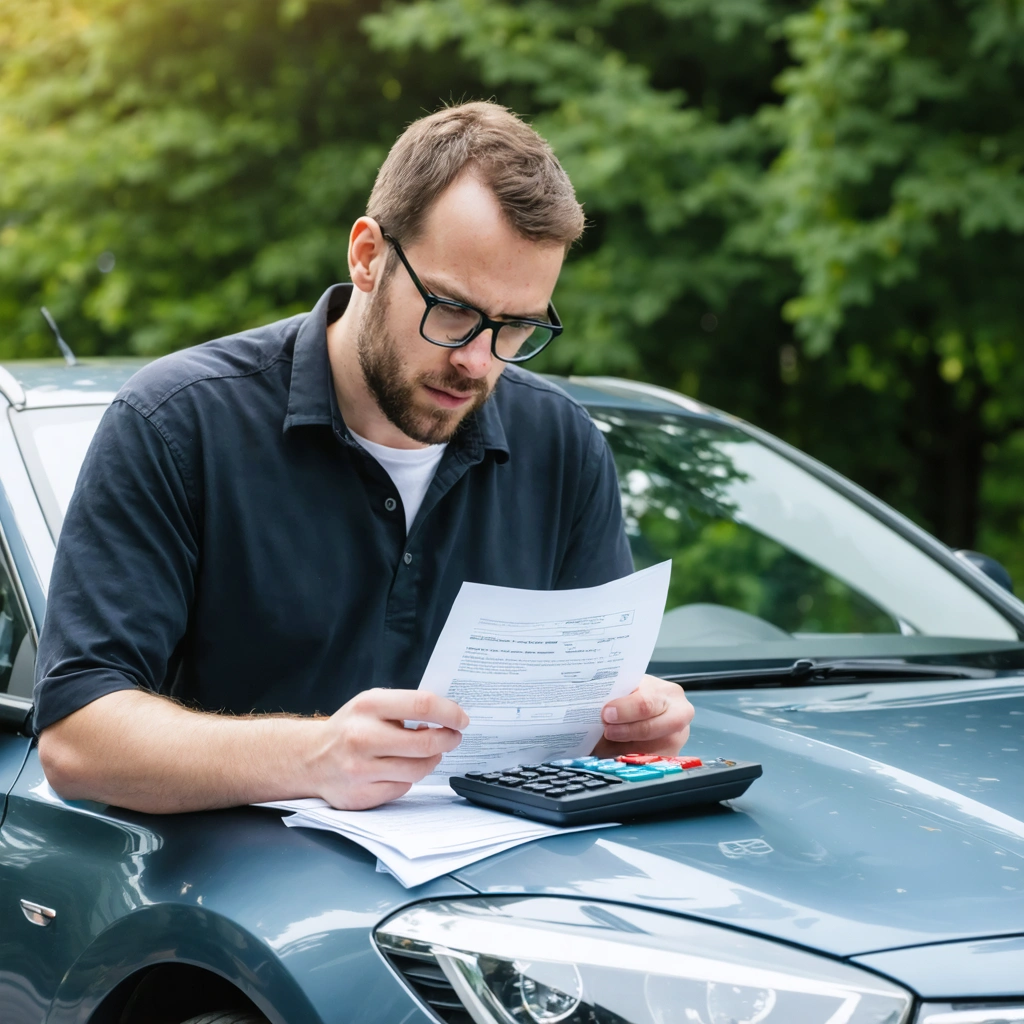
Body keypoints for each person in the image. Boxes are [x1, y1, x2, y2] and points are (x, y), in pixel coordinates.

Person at [34, 101, 694, 813]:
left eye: (517, 327)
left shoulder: (563, 446)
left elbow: (580, 719)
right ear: (368, 256)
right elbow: (78, 739)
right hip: (231, 906)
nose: (477, 361)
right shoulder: (176, 425)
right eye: (452, 310)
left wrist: (625, 729)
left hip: (504, 901)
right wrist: (314, 756)